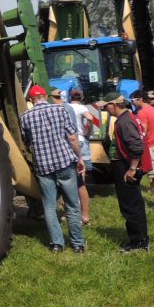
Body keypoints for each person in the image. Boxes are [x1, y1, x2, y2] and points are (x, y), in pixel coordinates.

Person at [19, 85, 85, 253]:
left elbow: (27, 143)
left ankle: (57, 244)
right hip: (64, 162)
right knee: (71, 204)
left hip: (43, 166)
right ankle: (77, 243)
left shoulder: (25, 117)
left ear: (31, 100)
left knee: (49, 206)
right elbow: (72, 137)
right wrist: (79, 157)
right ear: (45, 96)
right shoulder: (60, 110)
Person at [103, 93, 150, 252]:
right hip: (126, 165)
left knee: (130, 205)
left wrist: (132, 169)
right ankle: (140, 239)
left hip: (126, 167)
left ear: (115, 105)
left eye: (107, 105)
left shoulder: (124, 121)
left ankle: (138, 242)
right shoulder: (127, 118)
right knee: (133, 204)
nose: (105, 108)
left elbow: (137, 146)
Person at [131, 90, 154, 211]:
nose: (133, 103)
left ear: (139, 99)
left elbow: (143, 133)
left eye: (133, 101)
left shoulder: (142, 112)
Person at [68, 89, 95, 225]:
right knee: (81, 176)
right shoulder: (82, 107)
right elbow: (90, 118)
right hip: (80, 140)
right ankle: (80, 208)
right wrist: (88, 131)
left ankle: (74, 207)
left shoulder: (66, 107)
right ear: (82, 97)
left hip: (69, 140)